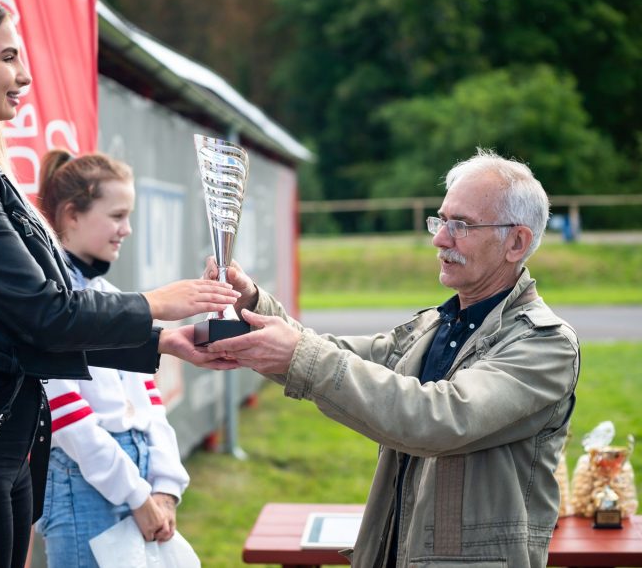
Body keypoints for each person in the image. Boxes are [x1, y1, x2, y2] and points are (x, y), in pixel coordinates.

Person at [0, 0, 237, 568]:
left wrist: (160, 341)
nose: (23, 74)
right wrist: (154, 305)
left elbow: (29, 325)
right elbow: (45, 313)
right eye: (6, 57)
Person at [205, 149, 580, 567]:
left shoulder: (545, 346)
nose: (440, 238)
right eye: (440, 220)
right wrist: (253, 305)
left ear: (516, 242)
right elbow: (334, 355)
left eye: (462, 225)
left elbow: (435, 419)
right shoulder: (437, 327)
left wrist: (298, 354)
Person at [34, 150, 191, 567]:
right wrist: (137, 495)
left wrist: (166, 486)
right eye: (117, 216)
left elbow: (147, 398)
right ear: (71, 215)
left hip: (136, 480)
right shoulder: (45, 299)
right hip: (82, 480)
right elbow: (66, 417)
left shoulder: (106, 295)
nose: (128, 229)